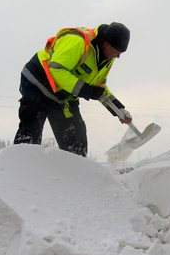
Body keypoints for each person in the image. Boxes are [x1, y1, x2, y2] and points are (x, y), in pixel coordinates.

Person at [13, 23, 133, 157]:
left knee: (76, 143)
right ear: (106, 44)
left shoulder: (107, 57)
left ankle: (76, 176)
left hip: (64, 96)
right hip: (39, 84)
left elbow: (99, 88)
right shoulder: (79, 42)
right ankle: (20, 169)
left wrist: (118, 110)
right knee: (30, 137)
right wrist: (87, 91)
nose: (118, 56)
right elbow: (57, 70)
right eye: (117, 51)